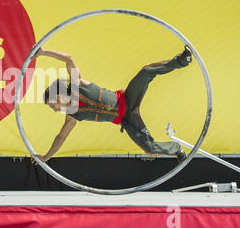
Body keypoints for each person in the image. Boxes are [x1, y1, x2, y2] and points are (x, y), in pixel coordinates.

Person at [32, 45, 192, 164]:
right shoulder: (72, 115)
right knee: (149, 149)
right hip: (127, 119)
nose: (54, 109)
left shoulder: (76, 84)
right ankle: (176, 149)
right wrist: (45, 157)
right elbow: (61, 137)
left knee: (146, 72)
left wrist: (43, 52)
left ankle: (182, 60)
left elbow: (68, 58)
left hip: (128, 97)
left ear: (58, 94)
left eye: (53, 104)